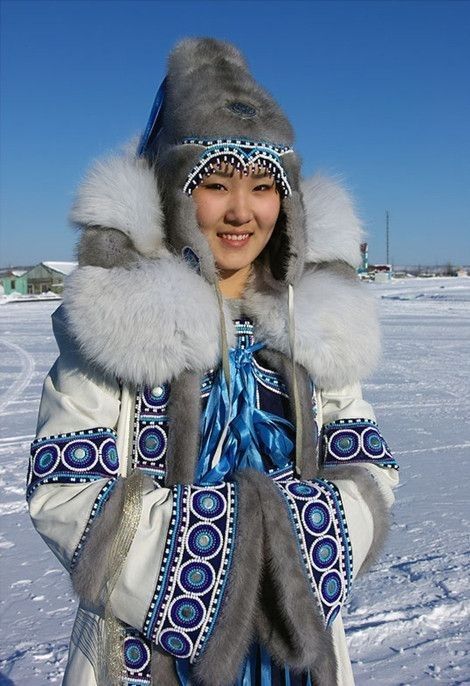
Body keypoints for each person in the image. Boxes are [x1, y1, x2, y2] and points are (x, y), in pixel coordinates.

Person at [27, 37, 399, 686]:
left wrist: (315, 541)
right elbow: (66, 486)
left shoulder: (315, 318)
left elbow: (362, 451)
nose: (241, 210)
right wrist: (220, 563)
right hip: (149, 651)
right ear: (174, 192)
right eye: (216, 184)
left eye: (263, 186)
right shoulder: (114, 318)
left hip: (293, 649)